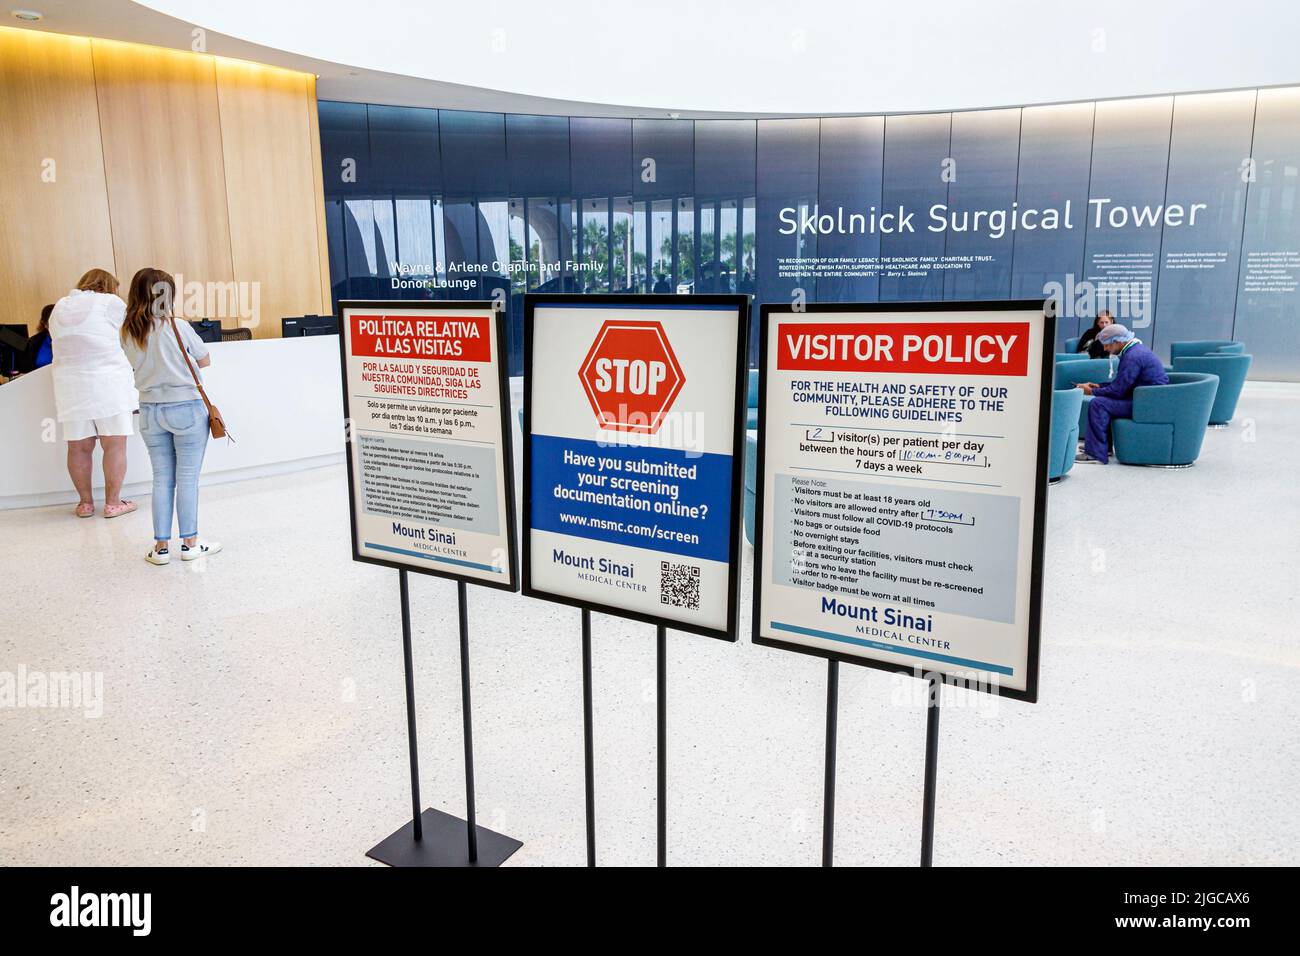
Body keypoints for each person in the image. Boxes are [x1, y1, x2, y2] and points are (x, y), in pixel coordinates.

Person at [120, 268, 221, 566]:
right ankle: (190, 543)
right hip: (186, 409)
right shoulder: (177, 326)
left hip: (150, 411)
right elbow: (205, 359)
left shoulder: (127, 330)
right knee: (187, 478)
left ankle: (161, 548)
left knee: (162, 479)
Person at [48, 269, 139, 518]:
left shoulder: (60, 306)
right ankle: (113, 503)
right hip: (107, 384)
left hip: (70, 387)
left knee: (77, 448)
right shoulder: (111, 302)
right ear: (110, 286)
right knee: (115, 445)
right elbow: (134, 330)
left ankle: (85, 504)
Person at [1075, 324, 1169, 464]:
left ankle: (1096, 453)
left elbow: (1118, 391)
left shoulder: (1132, 357)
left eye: (1107, 345)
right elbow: (1123, 385)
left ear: (1118, 342)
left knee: (1098, 404)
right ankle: (1102, 447)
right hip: (1147, 399)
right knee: (1102, 400)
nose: (1106, 349)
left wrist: (1092, 391)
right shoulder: (1135, 350)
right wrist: (1100, 386)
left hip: (1145, 405)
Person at [16, 304, 55, 374]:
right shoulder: (33, 343)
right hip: (39, 382)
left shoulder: (75, 341)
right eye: (53, 322)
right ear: (45, 324)